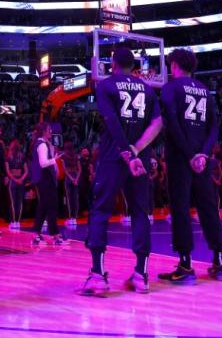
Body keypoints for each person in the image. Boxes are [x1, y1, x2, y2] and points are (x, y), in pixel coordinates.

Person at [79, 47, 163, 296]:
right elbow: (158, 124)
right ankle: (141, 275)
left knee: (101, 210)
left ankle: (97, 276)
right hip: (140, 158)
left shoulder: (106, 85)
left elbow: (112, 120)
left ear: (113, 64)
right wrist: (136, 150)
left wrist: (126, 151)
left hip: (114, 156)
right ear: (134, 66)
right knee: (140, 212)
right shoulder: (148, 89)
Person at [157, 48, 222, 284]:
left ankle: (185, 266)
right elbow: (214, 127)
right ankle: (219, 262)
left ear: (175, 65)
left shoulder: (170, 88)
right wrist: (204, 155)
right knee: (208, 208)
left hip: (181, 157)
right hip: (202, 160)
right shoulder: (205, 91)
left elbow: (173, 125)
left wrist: (189, 155)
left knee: (181, 209)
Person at [29, 122, 67, 245]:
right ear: (44, 131)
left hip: (46, 178)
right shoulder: (42, 145)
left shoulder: (45, 144)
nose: (51, 132)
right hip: (44, 179)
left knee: (44, 207)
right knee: (50, 206)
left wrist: (55, 164)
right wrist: (55, 160)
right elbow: (43, 163)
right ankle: (54, 235)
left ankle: (39, 234)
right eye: (49, 130)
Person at [5, 139, 27, 229]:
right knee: (19, 201)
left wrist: (14, 179)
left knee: (13, 202)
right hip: (20, 180)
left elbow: (7, 171)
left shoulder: (8, 156)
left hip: (13, 181)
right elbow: (26, 171)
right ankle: (17, 221)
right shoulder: (22, 156)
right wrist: (21, 179)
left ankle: (14, 221)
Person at [61, 142, 82, 226]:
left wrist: (71, 178)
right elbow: (80, 169)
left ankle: (70, 218)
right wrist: (76, 178)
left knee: (69, 199)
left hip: (69, 178)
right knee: (75, 198)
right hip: (76, 176)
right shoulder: (76, 156)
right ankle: (75, 218)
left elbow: (65, 170)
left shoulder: (63, 156)